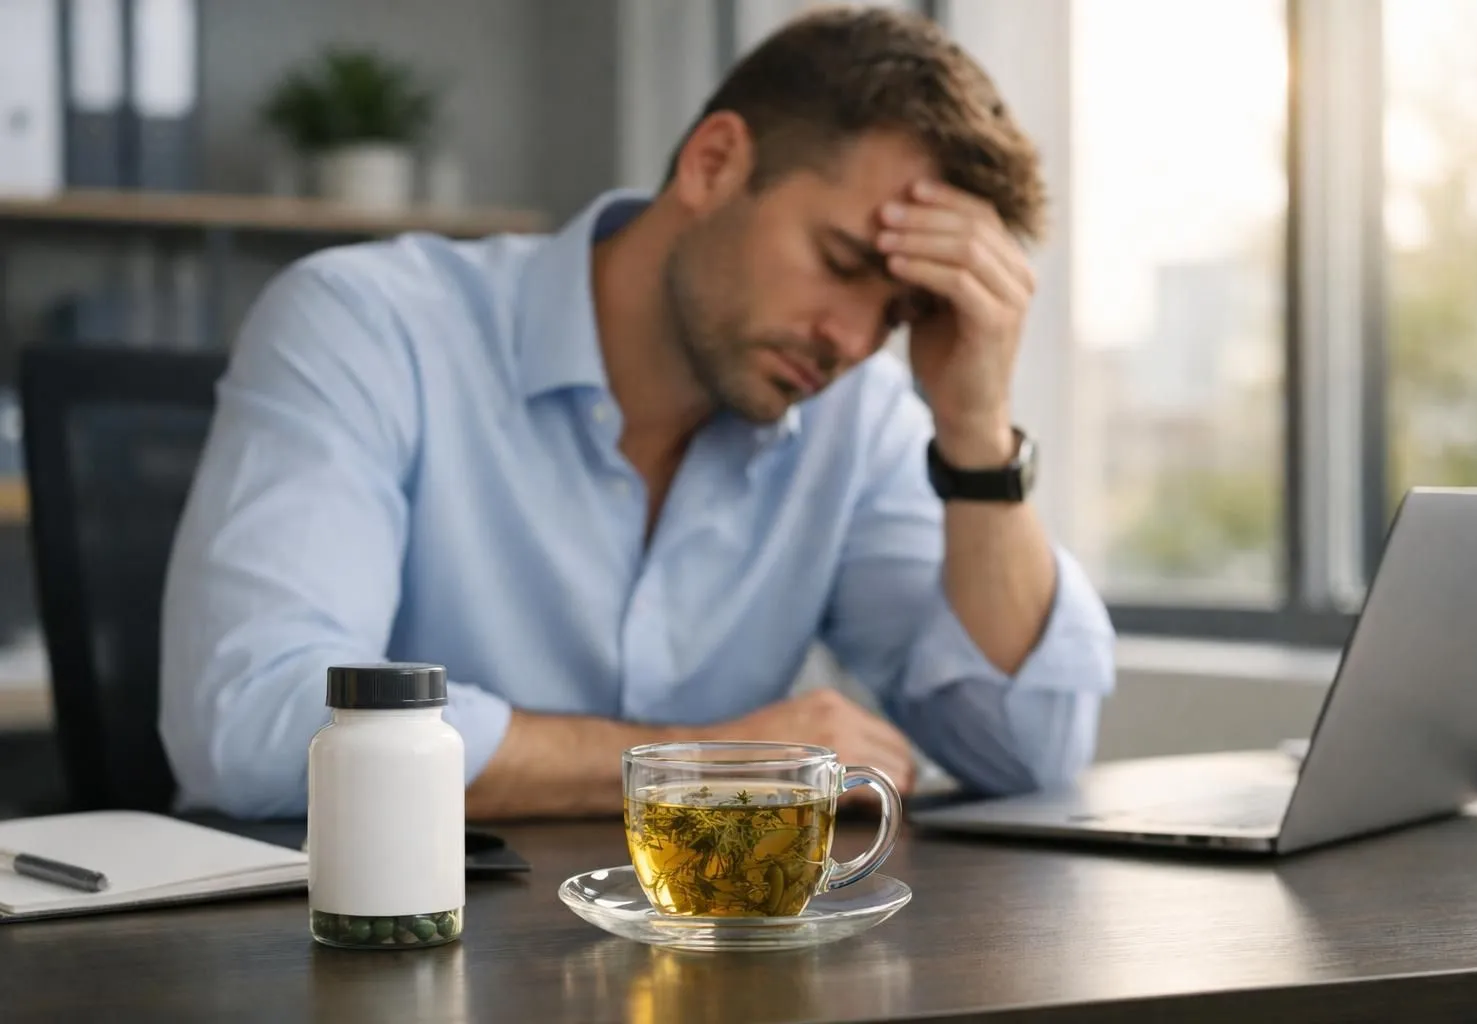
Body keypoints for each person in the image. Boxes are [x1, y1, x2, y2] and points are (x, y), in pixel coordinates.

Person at [159, 6, 1116, 820]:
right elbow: (251, 721)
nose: (855, 340)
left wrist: (977, 431)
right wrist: (703, 765)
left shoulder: (856, 417)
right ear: (713, 163)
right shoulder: (370, 326)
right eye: (841, 262)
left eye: (903, 312)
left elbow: (1025, 751)